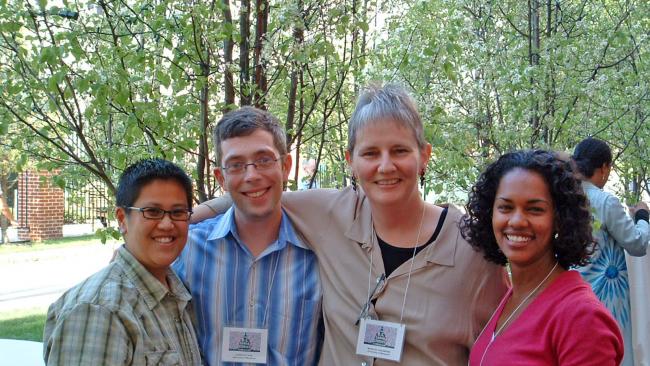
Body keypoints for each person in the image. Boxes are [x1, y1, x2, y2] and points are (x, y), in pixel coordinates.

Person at [194, 84, 507, 365]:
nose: (385, 165)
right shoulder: (332, 213)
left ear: (424, 156)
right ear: (351, 160)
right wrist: (180, 216)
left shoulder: (472, 248)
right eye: (370, 153)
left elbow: (506, 344)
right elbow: (257, 191)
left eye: (399, 150)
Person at [173, 106, 323, 365]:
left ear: (286, 166)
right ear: (221, 177)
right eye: (236, 165)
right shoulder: (188, 250)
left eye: (264, 160)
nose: (252, 175)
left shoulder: (320, 253)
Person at [460, 150, 623, 365]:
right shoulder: (512, 297)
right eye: (506, 207)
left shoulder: (581, 317)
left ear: (559, 219)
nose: (517, 221)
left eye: (535, 209)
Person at [43, 158, 201, 365]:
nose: (166, 224)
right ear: (121, 219)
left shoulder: (175, 293)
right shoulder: (99, 310)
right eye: (152, 212)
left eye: (178, 212)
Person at [572, 137, 649, 366]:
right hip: (607, 298)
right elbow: (636, 244)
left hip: (572, 294)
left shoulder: (564, 199)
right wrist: (643, 217)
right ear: (604, 167)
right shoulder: (605, 202)